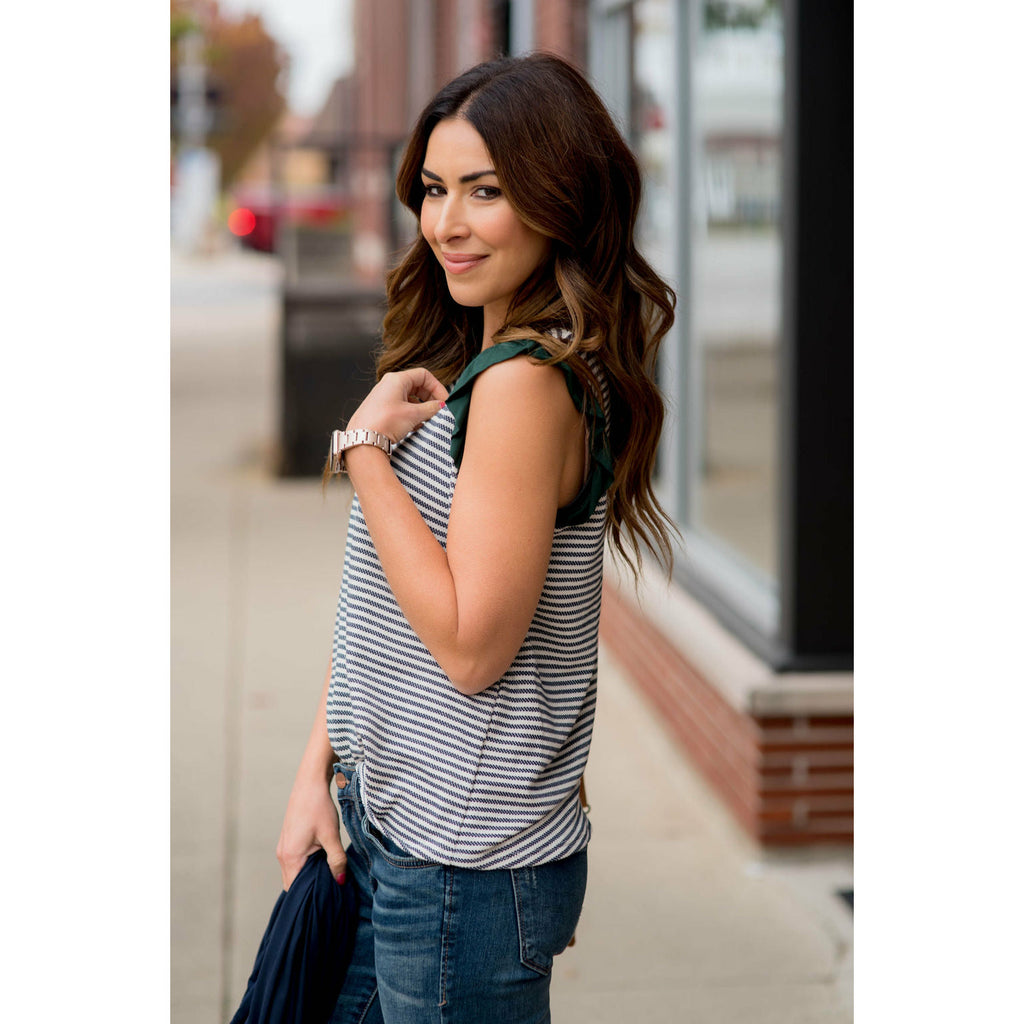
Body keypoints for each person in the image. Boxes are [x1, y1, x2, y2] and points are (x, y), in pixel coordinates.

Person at [275, 52, 676, 1023]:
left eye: (485, 192)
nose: (447, 223)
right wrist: (319, 771)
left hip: (462, 870)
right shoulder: (475, 362)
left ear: (557, 196)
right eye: (433, 189)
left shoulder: (524, 385)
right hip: (392, 825)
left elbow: (468, 645)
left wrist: (364, 451)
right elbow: (387, 608)